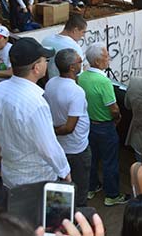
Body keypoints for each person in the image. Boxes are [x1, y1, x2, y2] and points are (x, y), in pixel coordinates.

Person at [0, 37, 71, 188]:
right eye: (44, 60)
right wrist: (65, 172)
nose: (47, 63)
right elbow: (48, 147)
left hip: (9, 175)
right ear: (36, 68)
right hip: (36, 180)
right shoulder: (35, 103)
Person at [77, 43, 127, 206]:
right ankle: (111, 195)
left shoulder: (82, 76)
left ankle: (91, 187)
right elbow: (113, 108)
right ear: (98, 61)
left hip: (88, 124)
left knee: (92, 158)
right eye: (106, 56)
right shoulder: (104, 81)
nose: (109, 59)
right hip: (105, 126)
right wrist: (118, 118)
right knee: (110, 161)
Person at [44, 48, 91, 207]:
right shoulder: (76, 92)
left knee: (62, 187)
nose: (82, 63)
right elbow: (69, 128)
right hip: (76, 149)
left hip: (60, 146)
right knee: (79, 187)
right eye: (79, 61)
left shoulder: (51, 82)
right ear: (72, 67)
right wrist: (51, 132)